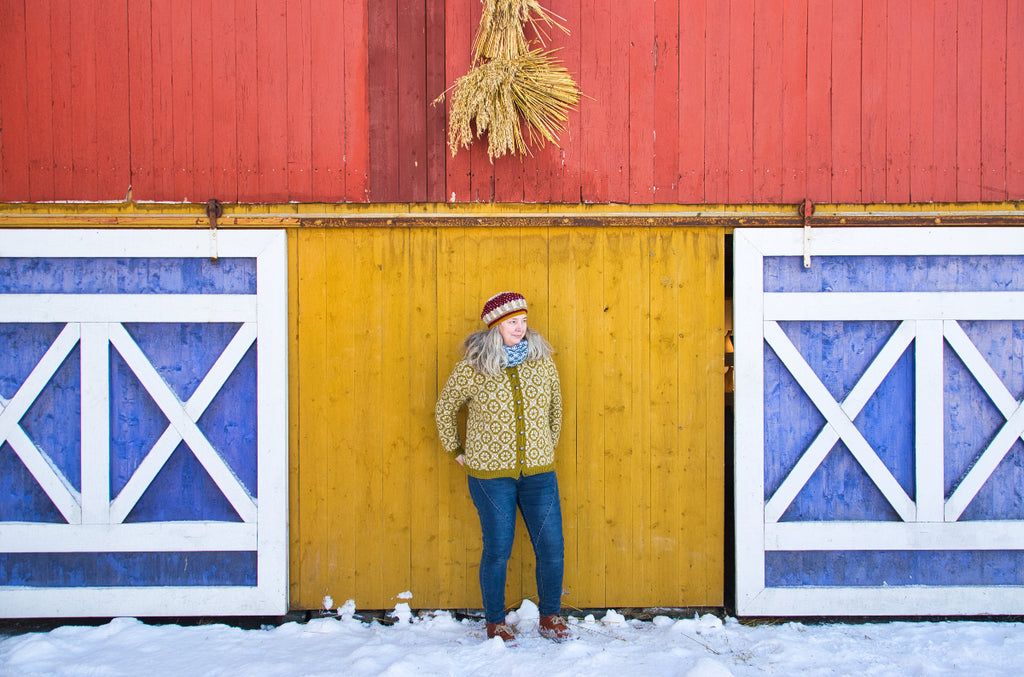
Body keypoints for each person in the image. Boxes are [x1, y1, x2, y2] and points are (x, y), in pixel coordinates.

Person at [435, 291, 573, 644]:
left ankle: (550, 616)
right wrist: (456, 449)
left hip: (539, 474)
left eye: (523, 320)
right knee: (498, 547)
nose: (520, 327)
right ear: (495, 326)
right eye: (512, 322)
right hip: (490, 477)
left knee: (552, 547)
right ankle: (495, 621)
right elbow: (446, 407)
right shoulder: (474, 365)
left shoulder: (542, 361)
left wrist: (545, 444)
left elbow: (556, 407)